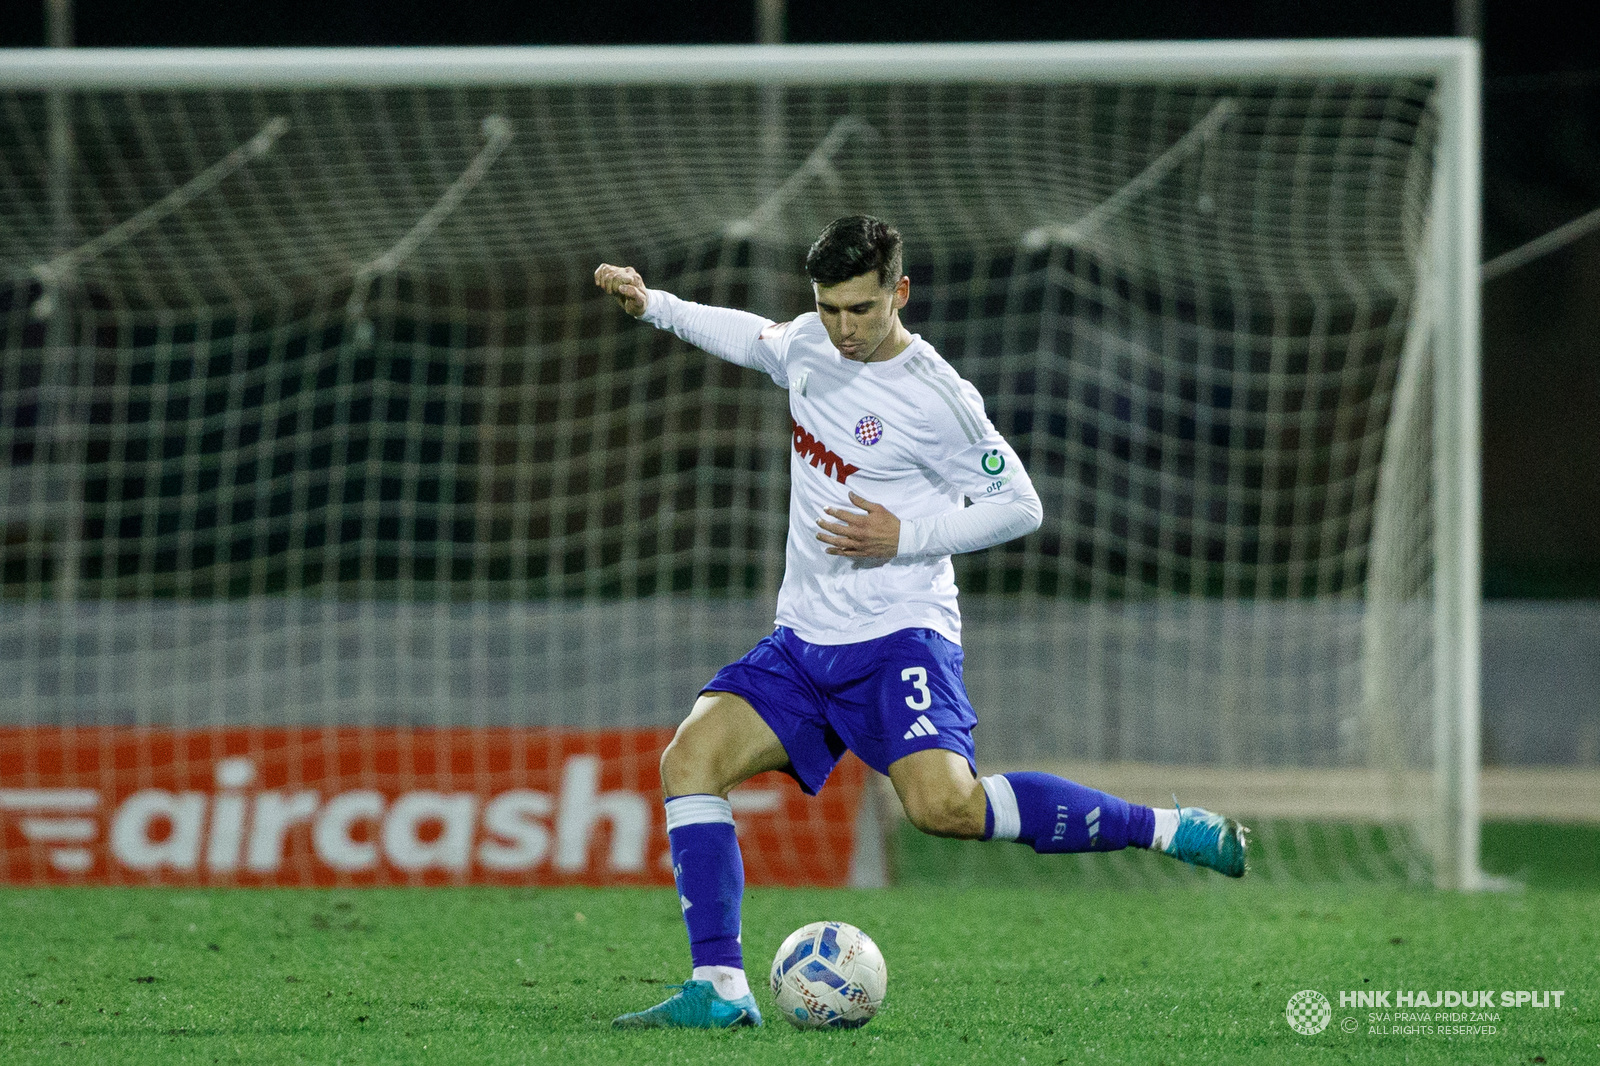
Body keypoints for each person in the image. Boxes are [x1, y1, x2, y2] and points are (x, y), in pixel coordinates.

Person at [595, 216, 1247, 1030]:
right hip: (803, 641)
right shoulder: (810, 345)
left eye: (861, 309)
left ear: (899, 293)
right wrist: (651, 302)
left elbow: (1021, 507)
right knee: (689, 761)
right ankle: (720, 989)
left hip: (901, 635)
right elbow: (749, 336)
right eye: (830, 308)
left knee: (945, 809)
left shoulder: (938, 396)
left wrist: (906, 535)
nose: (843, 328)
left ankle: (1165, 828)